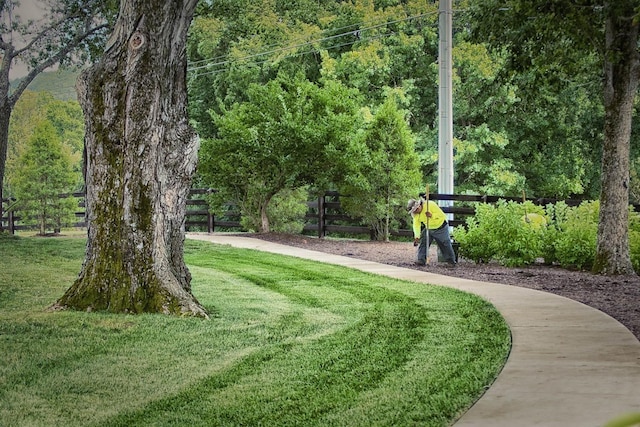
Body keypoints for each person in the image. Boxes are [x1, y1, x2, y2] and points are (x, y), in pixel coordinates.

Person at [407, 197, 457, 266]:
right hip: (429, 228)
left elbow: (441, 215)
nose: (415, 212)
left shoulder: (430, 205)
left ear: (419, 206)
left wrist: (431, 215)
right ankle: (421, 260)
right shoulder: (415, 215)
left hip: (440, 227)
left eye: (415, 210)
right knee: (423, 242)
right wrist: (417, 236)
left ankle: (451, 262)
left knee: (445, 244)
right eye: (413, 211)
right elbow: (416, 225)